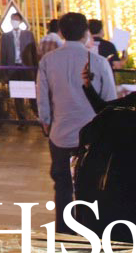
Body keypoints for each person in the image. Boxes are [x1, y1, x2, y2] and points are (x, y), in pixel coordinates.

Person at [35, 11, 114, 209]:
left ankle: (64, 232)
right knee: (91, 187)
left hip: (61, 134)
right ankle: (88, 230)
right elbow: (110, 101)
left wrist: (45, 121)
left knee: (62, 187)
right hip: (93, 137)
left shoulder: (48, 61)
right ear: (86, 33)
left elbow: (42, 97)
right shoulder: (99, 62)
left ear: (61, 33)